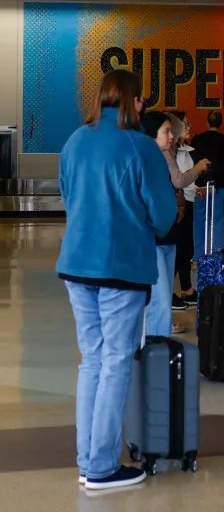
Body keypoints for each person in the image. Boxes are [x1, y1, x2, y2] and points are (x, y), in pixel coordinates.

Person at [57, 69, 177, 490]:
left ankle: (88, 460)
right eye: (141, 100)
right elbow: (163, 215)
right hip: (121, 267)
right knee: (115, 362)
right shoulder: (140, 146)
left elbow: (68, 196)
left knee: (92, 359)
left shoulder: (75, 141)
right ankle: (103, 466)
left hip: (77, 264)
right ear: (133, 100)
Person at [141, 112, 208, 338]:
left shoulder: (159, 156)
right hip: (156, 234)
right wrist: (197, 169)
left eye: (172, 131)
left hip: (165, 231)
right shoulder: (151, 159)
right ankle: (158, 339)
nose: (171, 136)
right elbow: (177, 182)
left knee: (163, 290)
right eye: (166, 131)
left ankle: (159, 337)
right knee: (159, 293)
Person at [190, 110, 224, 257]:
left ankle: (198, 260)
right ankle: (216, 262)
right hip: (220, 189)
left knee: (199, 223)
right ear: (221, 123)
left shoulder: (197, 139)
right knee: (217, 225)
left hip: (200, 189)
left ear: (207, 122)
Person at [169, 111, 198, 313]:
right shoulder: (169, 153)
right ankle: (168, 293)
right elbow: (179, 179)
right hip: (179, 204)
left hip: (188, 201)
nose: (188, 128)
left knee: (186, 249)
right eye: (185, 124)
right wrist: (197, 170)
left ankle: (187, 288)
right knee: (177, 250)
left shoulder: (184, 150)